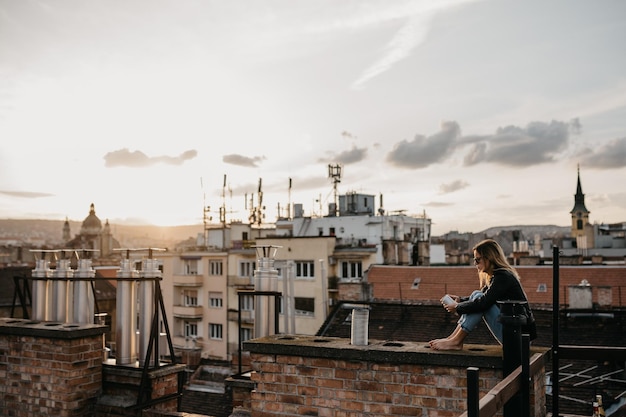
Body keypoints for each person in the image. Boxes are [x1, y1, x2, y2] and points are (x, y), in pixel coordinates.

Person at [429, 238, 534, 350]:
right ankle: (453, 338)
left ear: (489, 258)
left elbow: (483, 303)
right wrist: (460, 300)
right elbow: (483, 297)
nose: (475, 263)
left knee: (479, 298)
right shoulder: (499, 276)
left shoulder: (503, 277)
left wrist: (457, 307)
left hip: (518, 339)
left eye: (477, 260)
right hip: (514, 335)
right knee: (476, 294)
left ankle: (456, 341)